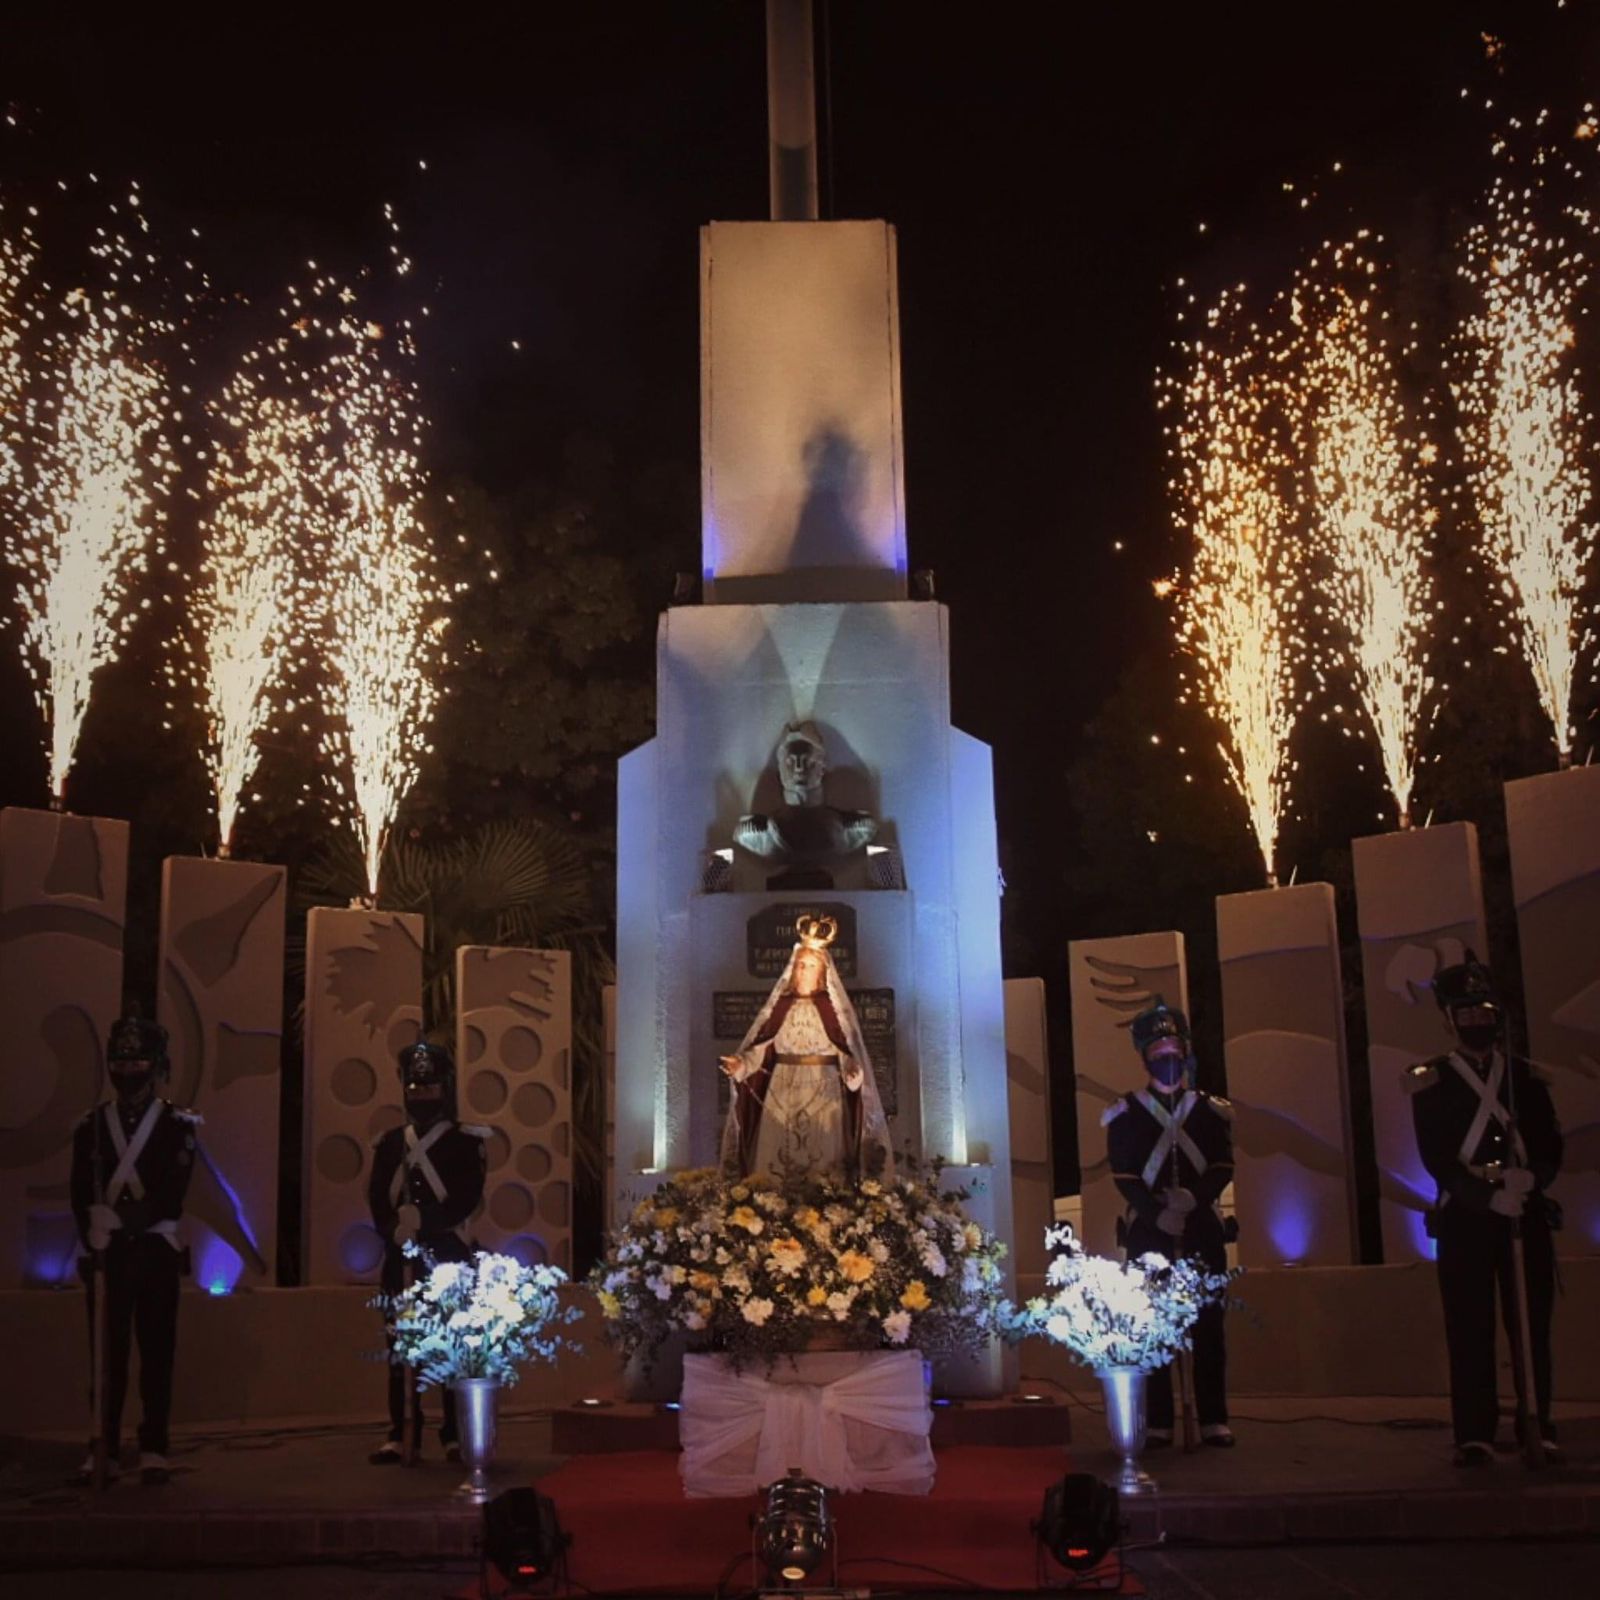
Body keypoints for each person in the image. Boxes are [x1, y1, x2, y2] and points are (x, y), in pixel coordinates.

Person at [1405, 953, 1563, 1467]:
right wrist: (1484, 1194)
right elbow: (1435, 1156)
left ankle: (1538, 1421)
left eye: (1484, 1008)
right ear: (1450, 1018)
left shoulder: (1525, 1077)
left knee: (1530, 1325)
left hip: (1524, 1211)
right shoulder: (1431, 1081)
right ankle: (1474, 1431)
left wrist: (1533, 1177)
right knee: (1470, 1324)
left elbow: (1548, 1144)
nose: (1476, 1018)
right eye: (1466, 1010)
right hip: (1468, 1216)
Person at [69, 1014, 199, 1486]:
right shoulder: (92, 1126)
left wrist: (122, 1220)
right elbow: (80, 1189)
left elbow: (172, 1193)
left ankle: (153, 1446)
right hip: (108, 1255)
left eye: (139, 1057)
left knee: (156, 1350)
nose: (130, 1067)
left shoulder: (176, 1124)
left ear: (157, 1063)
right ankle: (100, 1441)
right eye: (122, 1058)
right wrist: (92, 1232)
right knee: (106, 1354)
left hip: (155, 1250)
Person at [1103, 998, 1235, 1449]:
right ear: (1145, 1056)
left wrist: (1194, 1198)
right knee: (1156, 1324)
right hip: (1150, 1229)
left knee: (1208, 1326)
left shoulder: (1210, 1110)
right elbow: (1123, 1173)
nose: (1168, 1057)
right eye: (1158, 1050)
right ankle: (1159, 1420)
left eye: (1174, 1047)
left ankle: (1214, 1417)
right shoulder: (1126, 1113)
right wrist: (1158, 1211)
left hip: (1200, 1228)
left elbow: (1222, 1164)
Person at [367, 1039, 489, 1466]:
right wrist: (393, 1230)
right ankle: (401, 1432)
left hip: (448, 1256)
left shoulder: (463, 1142)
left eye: (430, 1087)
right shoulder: (389, 1144)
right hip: (402, 1257)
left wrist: (426, 1219)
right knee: (401, 1348)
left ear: (446, 1088)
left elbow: (467, 1197)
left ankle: (453, 1433)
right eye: (414, 1087)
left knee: (453, 1347)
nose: (421, 1095)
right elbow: (377, 1200)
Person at [718, 915, 894, 1181]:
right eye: (800, 965)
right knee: (777, 1157)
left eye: (810, 966)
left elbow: (845, 1050)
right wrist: (741, 1065)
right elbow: (762, 1047)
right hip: (782, 1089)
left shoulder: (832, 1011)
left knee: (822, 1157)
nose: (803, 971)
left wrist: (854, 1077)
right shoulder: (781, 1008)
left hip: (824, 1089)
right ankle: (771, 1207)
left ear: (822, 972)